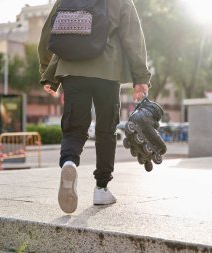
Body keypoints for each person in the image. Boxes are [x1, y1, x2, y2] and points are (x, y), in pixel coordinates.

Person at [38, 0, 151, 213]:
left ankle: (69, 163)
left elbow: (47, 34)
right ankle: (101, 188)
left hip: (71, 70)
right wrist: (140, 77)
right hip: (107, 71)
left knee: (74, 126)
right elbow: (133, 38)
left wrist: (47, 72)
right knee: (106, 129)